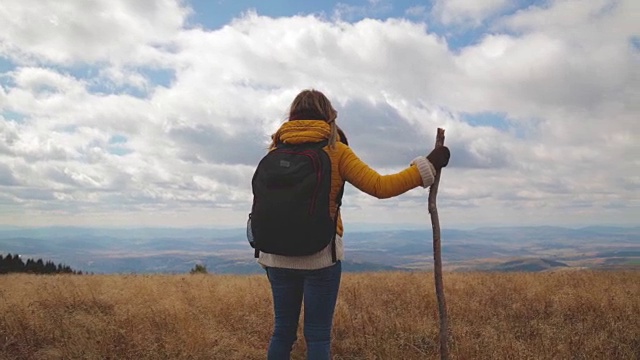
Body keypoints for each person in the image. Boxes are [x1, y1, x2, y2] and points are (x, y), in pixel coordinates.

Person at [257, 89, 450, 360]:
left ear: (292, 115)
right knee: (318, 335)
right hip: (320, 257)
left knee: (282, 332)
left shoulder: (275, 150)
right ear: (328, 115)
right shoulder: (336, 151)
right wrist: (427, 166)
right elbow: (380, 186)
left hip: (275, 255)